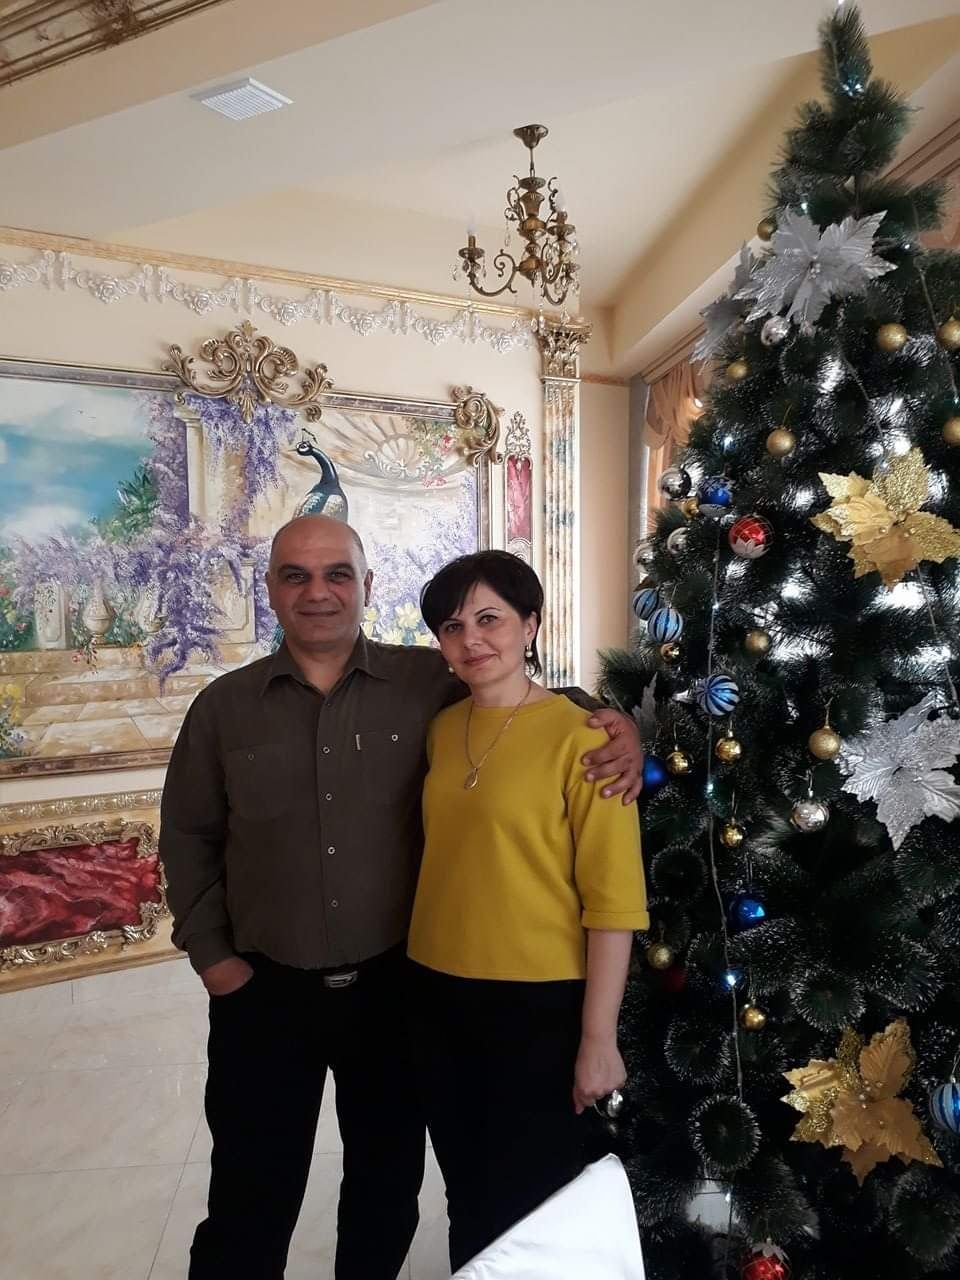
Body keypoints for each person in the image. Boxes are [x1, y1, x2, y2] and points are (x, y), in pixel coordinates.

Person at [159, 514, 645, 1280]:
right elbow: (187, 835)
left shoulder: (424, 681)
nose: (318, 592)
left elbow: (523, 696)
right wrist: (214, 959)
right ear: (271, 590)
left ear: (366, 585)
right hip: (265, 992)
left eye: (337, 574)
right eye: (295, 576)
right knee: (251, 1191)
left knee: (385, 1186)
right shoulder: (225, 708)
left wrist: (615, 726)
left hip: (392, 993)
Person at [408, 550, 649, 1273]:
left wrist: (599, 1038)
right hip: (435, 995)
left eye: (490, 619)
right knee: (466, 1195)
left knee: (533, 1208)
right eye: (453, 627)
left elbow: (613, 902)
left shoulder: (587, 739)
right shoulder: (441, 729)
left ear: (531, 625)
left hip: (537, 1006)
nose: (472, 640)